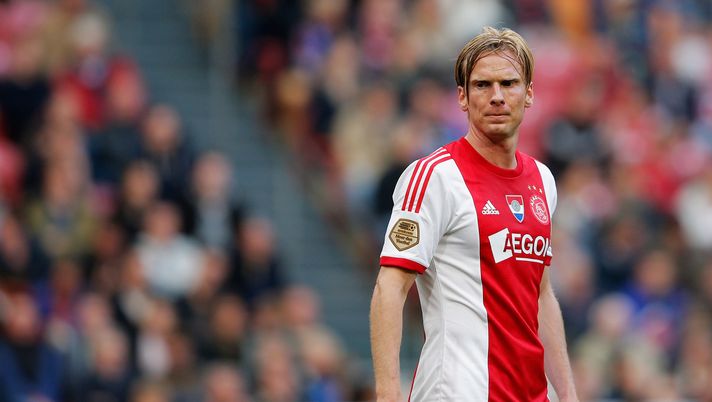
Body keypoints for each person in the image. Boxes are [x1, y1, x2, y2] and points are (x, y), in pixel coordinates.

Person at [369, 27, 579, 401]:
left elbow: (542, 294)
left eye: (509, 83)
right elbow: (390, 287)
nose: (497, 96)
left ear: (529, 93)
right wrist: (387, 394)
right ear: (463, 98)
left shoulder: (543, 181)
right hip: (458, 390)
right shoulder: (434, 177)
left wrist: (567, 393)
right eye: (482, 85)